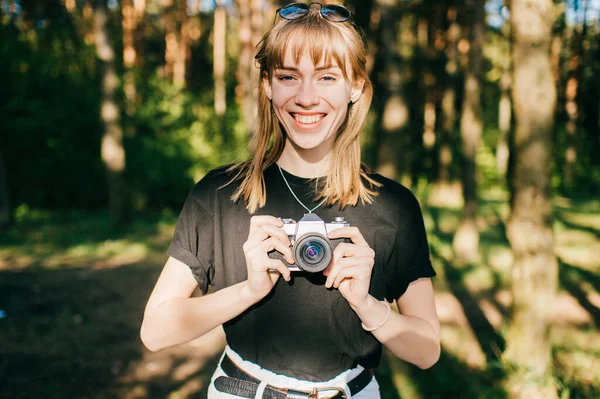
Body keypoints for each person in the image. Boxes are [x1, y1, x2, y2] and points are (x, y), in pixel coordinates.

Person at [140, 2, 440, 398]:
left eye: (327, 77)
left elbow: (427, 350)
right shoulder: (218, 196)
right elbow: (156, 331)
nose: (306, 97)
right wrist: (247, 290)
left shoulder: (394, 207)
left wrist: (368, 306)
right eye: (288, 76)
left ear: (355, 87)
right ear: (267, 85)